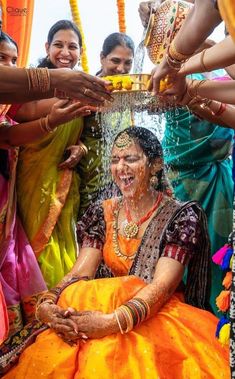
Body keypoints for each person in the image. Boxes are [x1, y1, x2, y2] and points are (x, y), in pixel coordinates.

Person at [0, 127, 229, 378]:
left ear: (155, 165)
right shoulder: (102, 212)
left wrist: (110, 323)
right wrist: (48, 304)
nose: (121, 168)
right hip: (101, 312)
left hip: (157, 316)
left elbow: (163, 286)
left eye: (130, 159)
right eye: (114, 160)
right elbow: (79, 273)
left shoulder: (180, 216)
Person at [0, 30, 95, 336]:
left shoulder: (77, 89)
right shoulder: (25, 90)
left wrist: (76, 144)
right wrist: (59, 86)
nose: (65, 51)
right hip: (31, 182)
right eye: (3, 60)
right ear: (46, 47)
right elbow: (24, 115)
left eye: (14, 60)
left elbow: (7, 135)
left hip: (58, 184)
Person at [0, 6, 111, 106]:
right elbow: (27, 110)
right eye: (58, 45)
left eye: (72, 47)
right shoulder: (26, 85)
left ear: (81, 52)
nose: (65, 53)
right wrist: (56, 79)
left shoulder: (78, 83)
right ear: (47, 48)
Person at [78, 32, 135, 215]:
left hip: (122, 182)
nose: (121, 68)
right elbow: (67, 132)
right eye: (115, 61)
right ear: (102, 58)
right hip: (88, 184)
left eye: (128, 63)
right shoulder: (85, 90)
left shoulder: (130, 91)